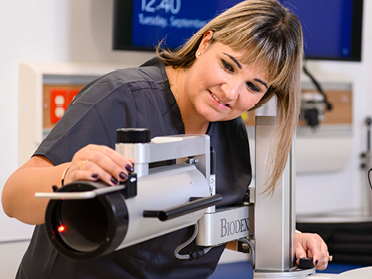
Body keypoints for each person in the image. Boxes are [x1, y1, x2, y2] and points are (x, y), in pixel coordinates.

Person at [2, 0, 330, 278]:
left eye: (253, 87)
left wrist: (286, 236)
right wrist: (66, 177)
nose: (231, 92)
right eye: (228, 66)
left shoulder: (230, 131)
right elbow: (14, 198)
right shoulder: (121, 98)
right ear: (205, 43)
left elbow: (208, 225)